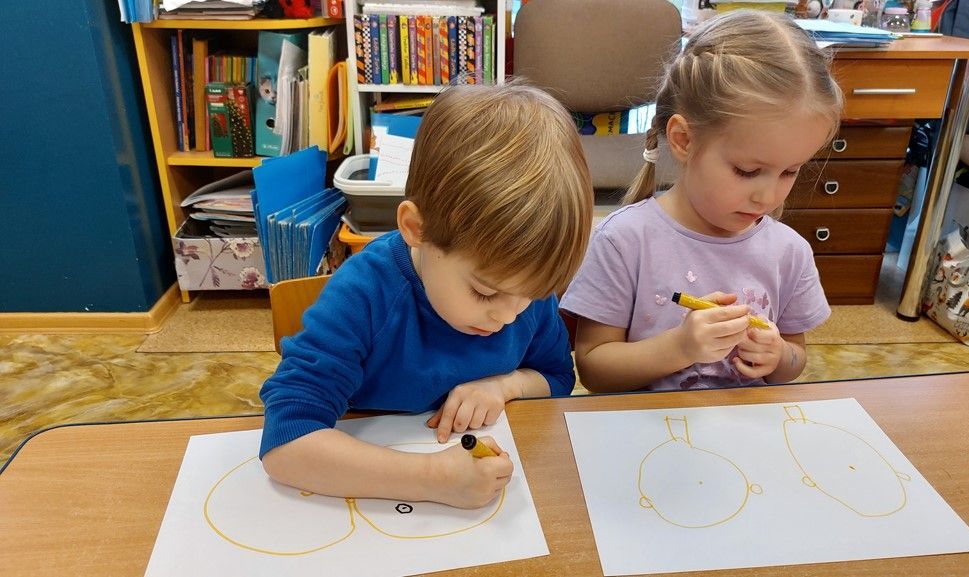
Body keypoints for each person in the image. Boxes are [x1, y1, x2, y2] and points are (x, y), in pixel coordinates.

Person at [259, 83, 593, 508]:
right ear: (416, 230)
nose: (509, 317)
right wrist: (434, 478)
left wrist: (505, 385)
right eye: (484, 292)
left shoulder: (521, 289)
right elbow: (286, 442)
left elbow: (558, 379)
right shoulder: (363, 295)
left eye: (531, 295)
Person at [561, 10, 843, 393]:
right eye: (747, 170)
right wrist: (679, 347)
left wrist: (777, 356)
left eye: (790, 171)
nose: (768, 196)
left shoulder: (789, 252)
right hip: (647, 425)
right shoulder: (624, 240)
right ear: (683, 140)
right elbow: (594, 370)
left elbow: (795, 360)